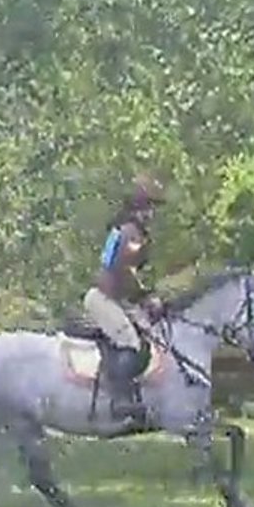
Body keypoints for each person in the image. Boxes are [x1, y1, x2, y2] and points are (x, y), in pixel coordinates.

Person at [82, 175, 165, 419]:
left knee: (148, 334)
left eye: (153, 208)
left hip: (117, 298)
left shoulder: (131, 231)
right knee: (129, 341)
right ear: (138, 207)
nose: (152, 213)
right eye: (149, 207)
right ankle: (118, 400)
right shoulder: (131, 233)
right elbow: (125, 271)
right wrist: (147, 298)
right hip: (104, 298)